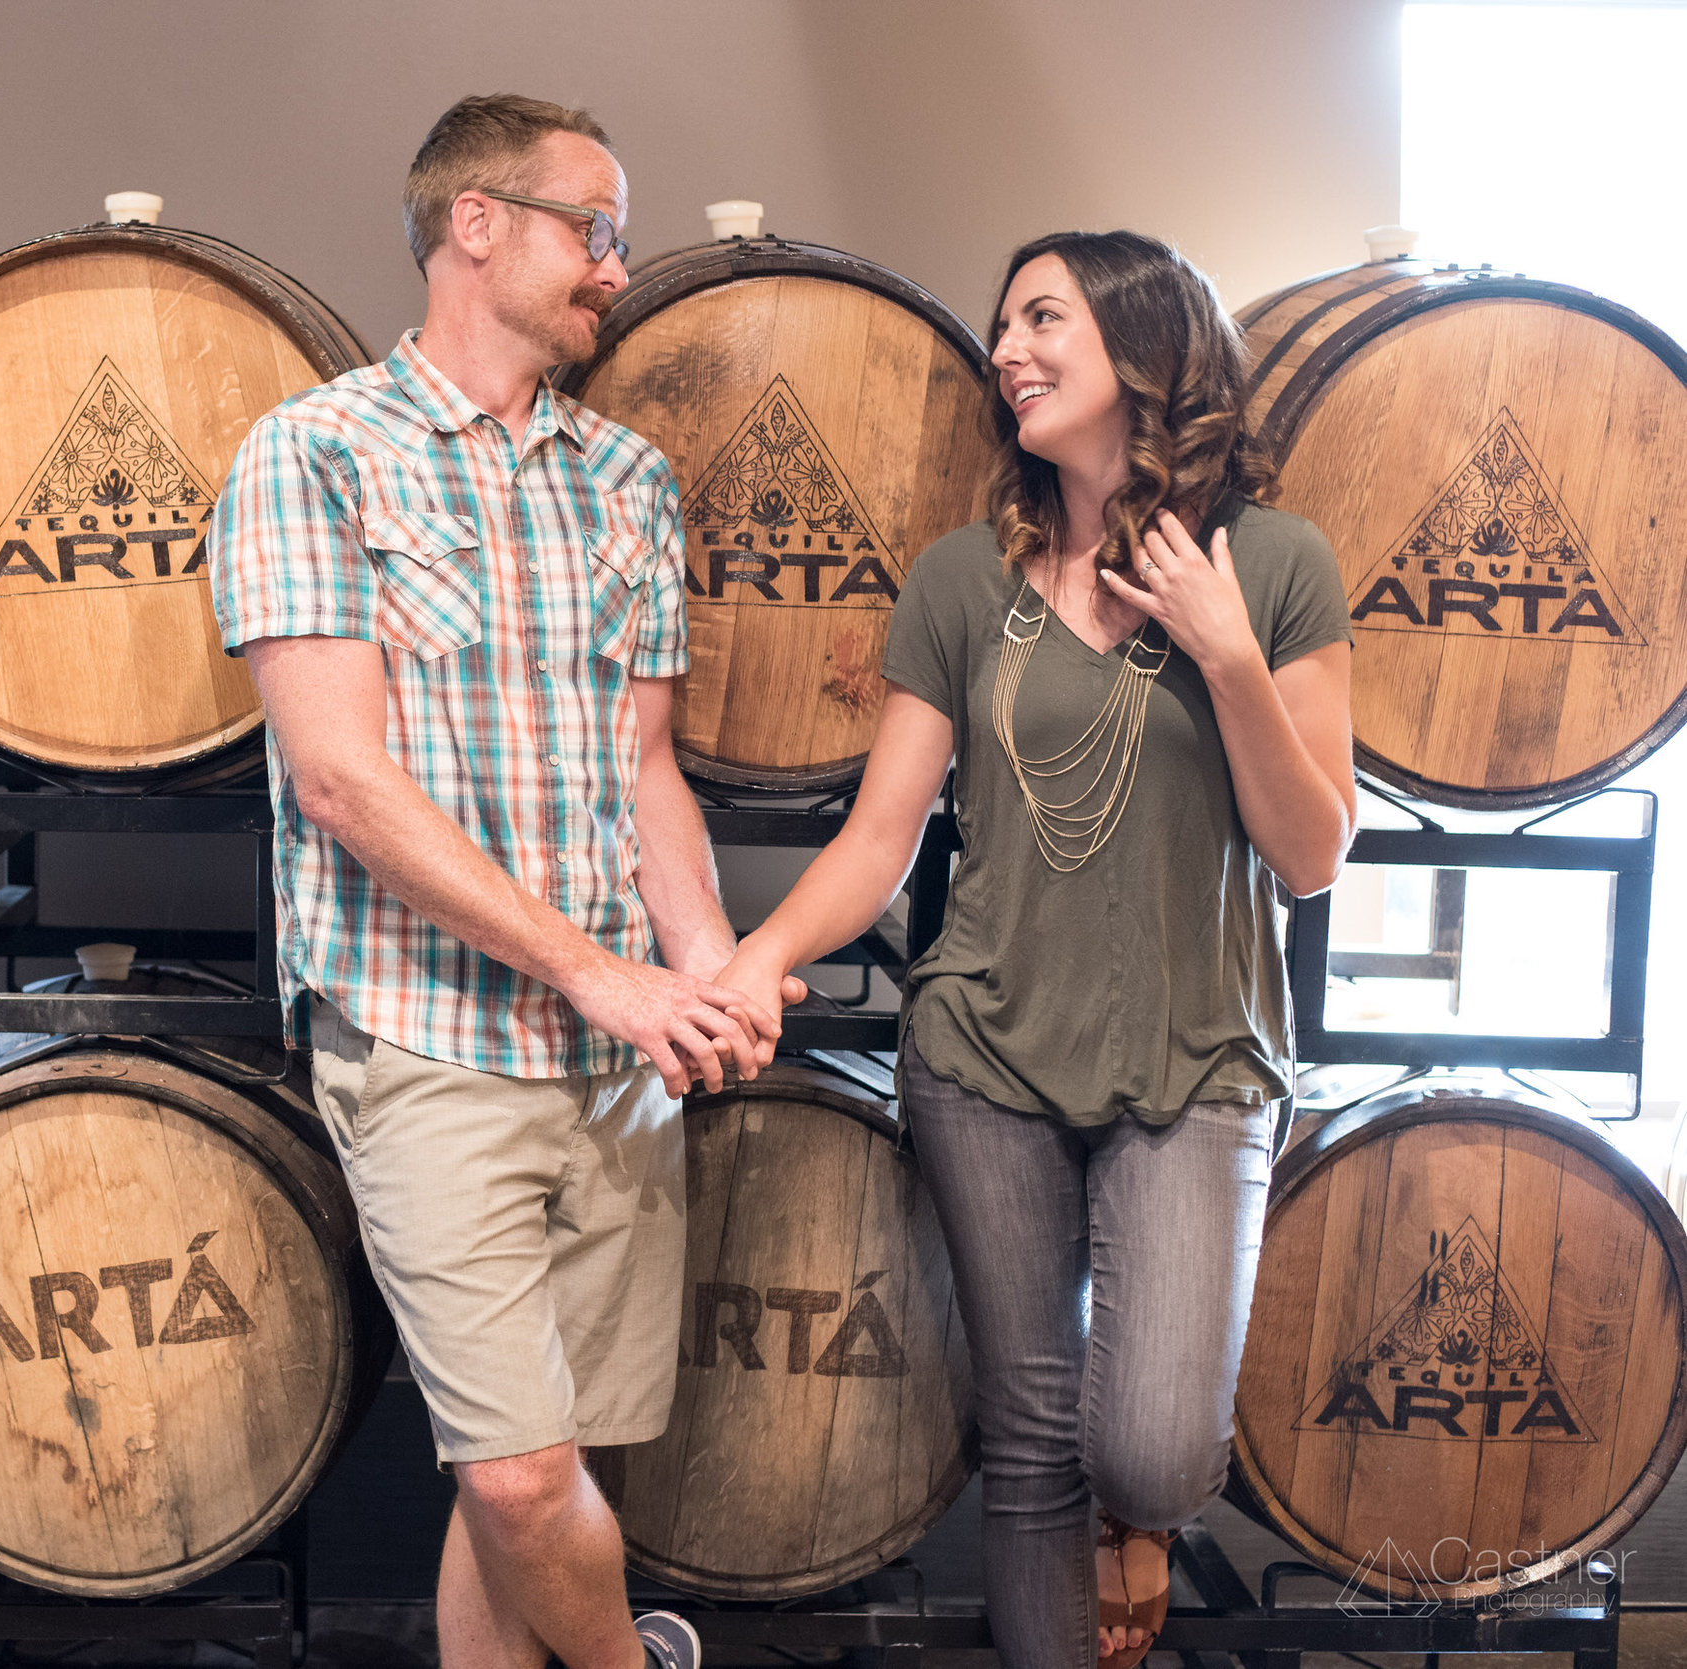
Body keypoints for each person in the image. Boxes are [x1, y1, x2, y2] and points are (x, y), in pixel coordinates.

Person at [718, 230, 1356, 1669]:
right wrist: (760, 954)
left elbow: (1313, 854)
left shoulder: (1276, 562)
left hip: (1201, 1056)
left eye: (1043, 317)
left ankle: (1141, 1526)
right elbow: (882, 839)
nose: (1006, 346)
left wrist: (1226, 651)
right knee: (1029, 1443)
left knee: (1145, 1448)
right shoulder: (962, 580)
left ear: (1145, 346)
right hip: (985, 1052)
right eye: (1003, 319)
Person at [210, 94, 782, 1669]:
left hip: (617, 1059)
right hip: (428, 1038)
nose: (616, 266)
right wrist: (598, 971)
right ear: (479, 225)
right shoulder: (312, 453)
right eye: (592, 227)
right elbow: (340, 780)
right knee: (525, 1478)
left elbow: (645, 766)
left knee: (536, 1469)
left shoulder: (630, 481)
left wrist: (708, 960)